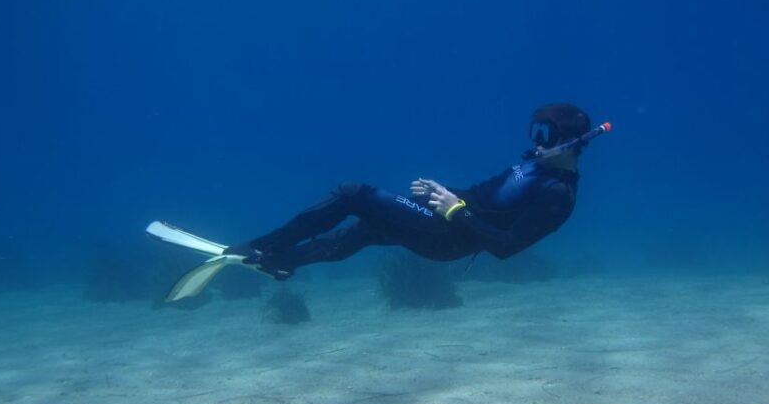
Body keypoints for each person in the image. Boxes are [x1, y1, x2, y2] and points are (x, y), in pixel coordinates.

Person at [225, 103, 602, 280]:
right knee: (366, 227)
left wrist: (456, 211)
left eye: (546, 136)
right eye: (535, 133)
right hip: (443, 224)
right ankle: (286, 260)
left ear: (570, 144)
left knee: (354, 192)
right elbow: (480, 196)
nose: (536, 143)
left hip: (449, 240)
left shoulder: (557, 195)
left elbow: (505, 247)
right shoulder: (536, 164)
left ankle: (265, 246)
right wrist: (444, 191)